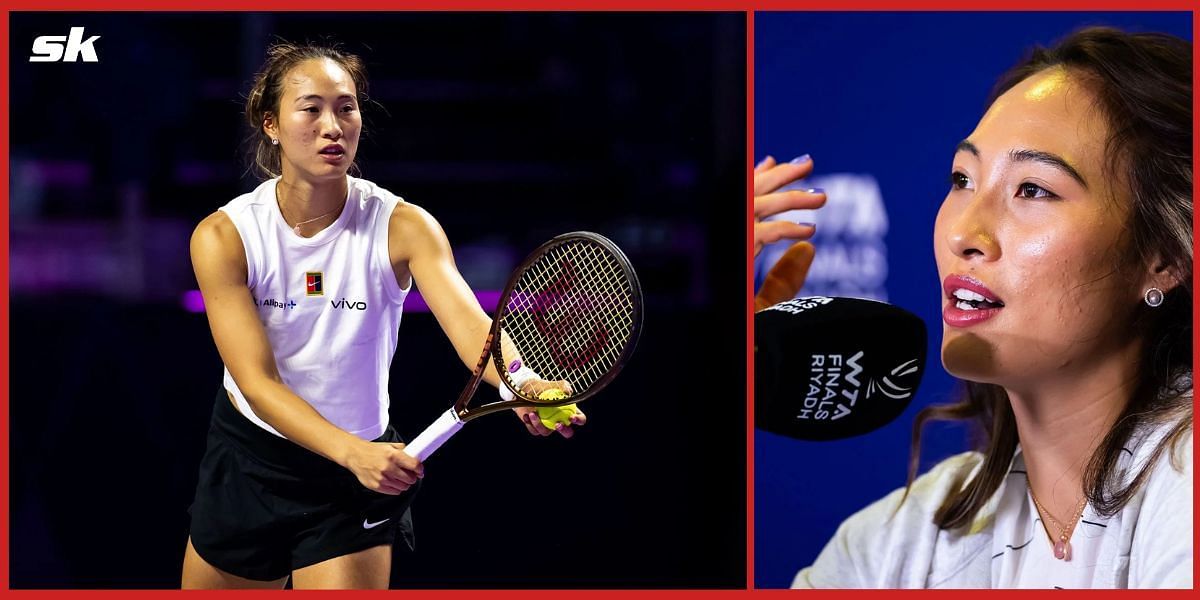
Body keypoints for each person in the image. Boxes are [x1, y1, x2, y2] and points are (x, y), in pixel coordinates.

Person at [793, 27, 1192, 588]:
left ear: (1165, 258)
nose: (964, 232)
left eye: (1033, 189)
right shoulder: (901, 540)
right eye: (962, 179)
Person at [181, 42, 584, 590]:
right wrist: (352, 454)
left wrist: (523, 381)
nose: (333, 126)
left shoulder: (404, 225)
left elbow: (472, 327)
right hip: (253, 458)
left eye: (346, 108)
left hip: (356, 476)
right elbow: (256, 383)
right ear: (270, 123)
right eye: (311, 108)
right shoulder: (225, 236)